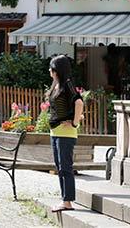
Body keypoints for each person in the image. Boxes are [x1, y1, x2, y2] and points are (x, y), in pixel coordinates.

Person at [48, 55, 84, 213]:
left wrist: (75, 122)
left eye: (52, 68)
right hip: (55, 132)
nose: (50, 70)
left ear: (58, 70)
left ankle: (67, 202)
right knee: (60, 167)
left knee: (65, 168)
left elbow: (79, 102)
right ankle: (65, 200)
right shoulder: (57, 85)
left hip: (66, 134)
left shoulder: (67, 84)